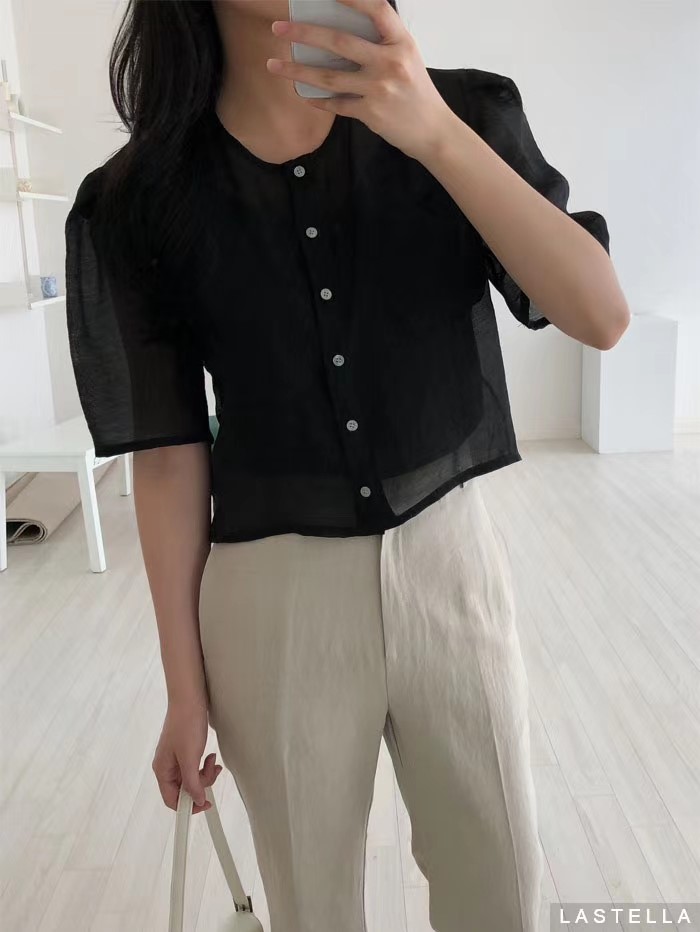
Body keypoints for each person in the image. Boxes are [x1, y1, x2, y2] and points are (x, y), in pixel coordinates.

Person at [64, 1, 630, 929]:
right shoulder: (141, 197)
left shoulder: (462, 114)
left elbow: (600, 315)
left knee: (502, 888)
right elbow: (169, 456)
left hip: (449, 561)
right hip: (270, 597)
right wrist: (183, 687)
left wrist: (435, 134)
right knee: (310, 906)